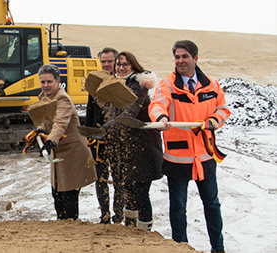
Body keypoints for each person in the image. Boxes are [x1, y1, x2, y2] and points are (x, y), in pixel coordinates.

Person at [148, 40, 231, 253]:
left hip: (205, 156)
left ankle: (218, 248)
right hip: (178, 157)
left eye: (185, 56)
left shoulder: (211, 85)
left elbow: (222, 109)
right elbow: (157, 104)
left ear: (195, 58)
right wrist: (161, 118)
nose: (180, 61)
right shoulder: (167, 84)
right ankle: (180, 248)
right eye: (177, 57)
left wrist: (213, 120)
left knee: (212, 205)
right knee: (178, 208)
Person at [103, 51, 163, 230]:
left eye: (125, 65)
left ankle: (144, 232)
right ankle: (130, 227)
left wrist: (108, 128)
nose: (121, 68)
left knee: (140, 192)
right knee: (129, 190)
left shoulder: (137, 85)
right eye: (118, 64)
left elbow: (130, 110)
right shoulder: (119, 84)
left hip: (143, 147)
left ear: (133, 66)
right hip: (127, 146)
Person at [36, 64, 96, 220]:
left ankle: (71, 228)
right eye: (43, 82)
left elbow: (60, 123)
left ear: (58, 81)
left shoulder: (62, 98)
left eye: (49, 81)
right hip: (59, 152)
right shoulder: (44, 97)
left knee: (68, 195)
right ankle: (62, 226)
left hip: (72, 153)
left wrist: (49, 142)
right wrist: (41, 130)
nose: (46, 85)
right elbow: (46, 120)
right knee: (56, 192)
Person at [85, 47, 120, 224]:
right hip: (98, 140)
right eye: (103, 61)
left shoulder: (122, 83)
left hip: (118, 140)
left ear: (116, 62)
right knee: (101, 178)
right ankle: (104, 214)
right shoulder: (96, 83)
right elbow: (90, 112)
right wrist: (88, 135)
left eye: (110, 61)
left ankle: (119, 214)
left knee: (119, 177)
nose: (106, 65)